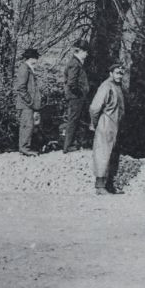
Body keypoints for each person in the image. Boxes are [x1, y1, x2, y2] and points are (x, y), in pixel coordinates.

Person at [88, 62, 128, 195]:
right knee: (103, 153)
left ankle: (109, 185)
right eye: (117, 73)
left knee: (113, 154)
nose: (119, 75)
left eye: (121, 73)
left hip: (116, 125)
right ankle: (100, 186)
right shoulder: (106, 86)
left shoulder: (117, 87)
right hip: (106, 123)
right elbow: (94, 107)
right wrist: (95, 123)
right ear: (111, 73)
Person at [60, 42, 91, 152]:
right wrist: (79, 94)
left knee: (75, 119)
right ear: (81, 51)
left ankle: (72, 143)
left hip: (75, 96)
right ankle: (68, 146)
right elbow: (72, 83)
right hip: (75, 97)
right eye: (86, 52)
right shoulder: (74, 63)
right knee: (73, 120)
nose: (87, 54)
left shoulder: (75, 63)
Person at [13, 48, 44, 155]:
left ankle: (25, 148)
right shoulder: (24, 68)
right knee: (27, 126)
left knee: (29, 125)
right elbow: (21, 88)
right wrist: (30, 102)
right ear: (30, 58)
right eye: (35, 58)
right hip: (26, 104)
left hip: (27, 104)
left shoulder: (28, 68)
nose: (36, 60)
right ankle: (24, 148)